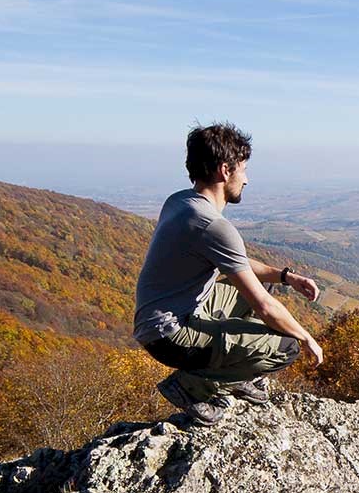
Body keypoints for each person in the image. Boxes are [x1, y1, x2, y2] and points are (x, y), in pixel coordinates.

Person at [131, 122, 324, 426]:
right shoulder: (214, 226)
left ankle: (236, 372)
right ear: (225, 170)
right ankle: (195, 387)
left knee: (265, 285)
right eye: (243, 170)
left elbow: (240, 263)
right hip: (169, 334)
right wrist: (305, 337)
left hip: (164, 314)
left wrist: (286, 276)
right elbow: (263, 306)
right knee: (286, 347)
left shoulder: (180, 201)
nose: (246, 180)